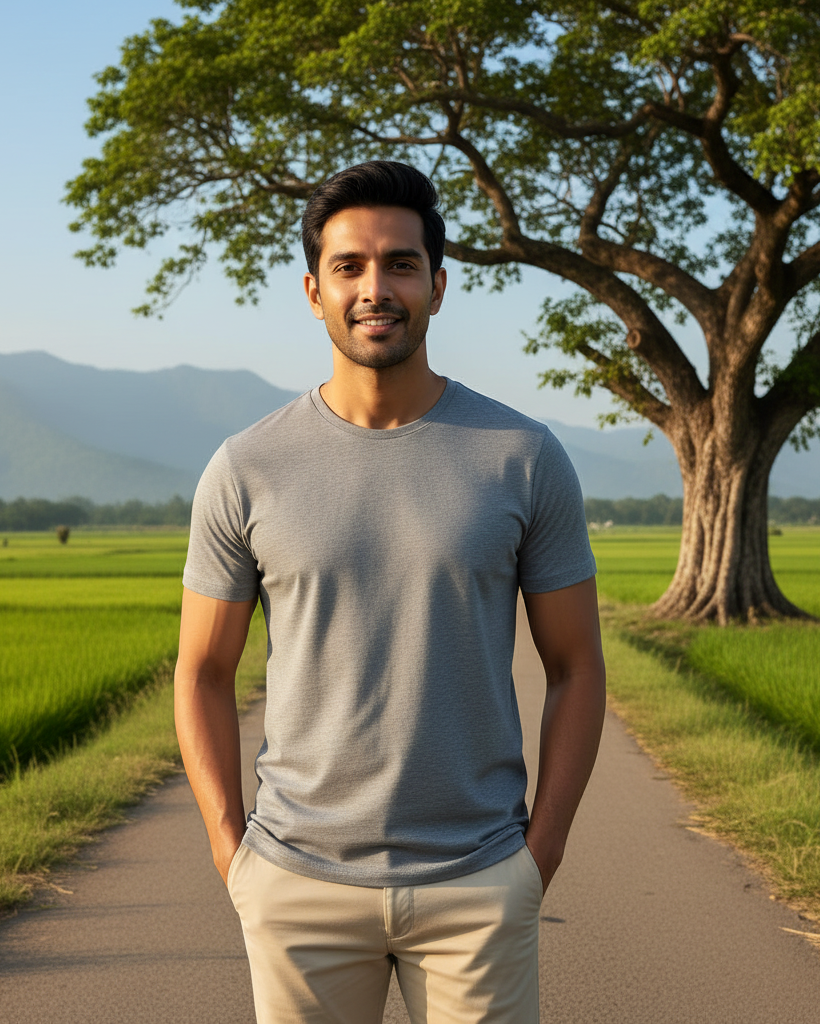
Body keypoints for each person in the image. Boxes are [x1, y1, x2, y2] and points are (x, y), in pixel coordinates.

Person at [174, 160, 606, 1024]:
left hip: (479, 881)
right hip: (297, 884)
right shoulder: (247, 467)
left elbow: (577, 665)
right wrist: (234, 854)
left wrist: (539, 853)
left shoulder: (522, 456)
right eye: (351, 267)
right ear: (313, 290)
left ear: (438, 286)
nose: (378, 287)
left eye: (401, 264)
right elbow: (201, 672)